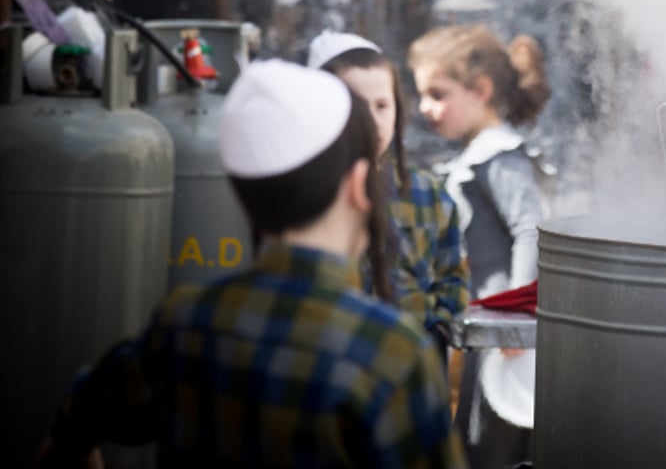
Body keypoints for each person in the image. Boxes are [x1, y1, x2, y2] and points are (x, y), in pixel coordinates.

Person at [35, 59, 466, 468]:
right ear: (357, 185)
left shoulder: (182, 323)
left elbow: (73, 421)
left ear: (243, 196)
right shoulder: (391, 355)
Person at [407, 24, 552, 469]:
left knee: (493, 447)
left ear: (481, 90)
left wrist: (518, 320)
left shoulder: (499, 156)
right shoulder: (477, 154)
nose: (425, 107)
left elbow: (532, 228)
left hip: (506, 335)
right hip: (487, 327)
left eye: (437, 93)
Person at [307, 29, 471, 364]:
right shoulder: (307, 195)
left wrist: (437, 327)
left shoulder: (430, 195)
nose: (372, 120)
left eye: (382, 105)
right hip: (334, 363)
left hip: (415, 362)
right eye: (355, 105)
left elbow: (453, 275)